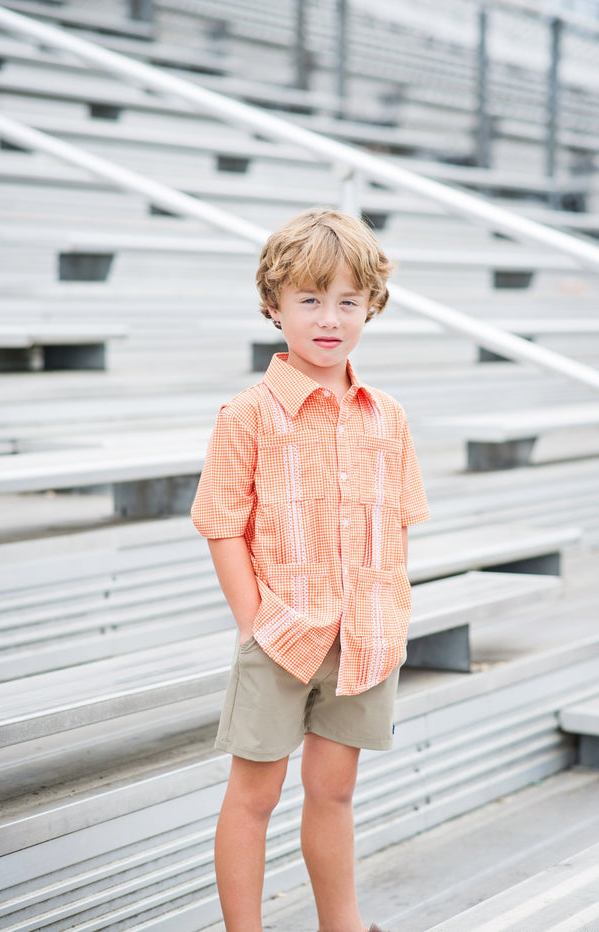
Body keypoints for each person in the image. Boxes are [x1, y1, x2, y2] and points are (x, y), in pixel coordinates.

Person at [191, 207, 430, 932]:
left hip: (363, 636)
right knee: (254, 794)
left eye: (348, 301)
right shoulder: (249, 415)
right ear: (274, 305)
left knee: (334, 790)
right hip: (280, 635)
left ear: (371, 308)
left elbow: (397, 522)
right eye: (310, 299)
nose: (330, 318)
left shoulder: (386, 416)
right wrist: (256, 624)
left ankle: (344, 926)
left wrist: (389, 611)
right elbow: (221, 525)